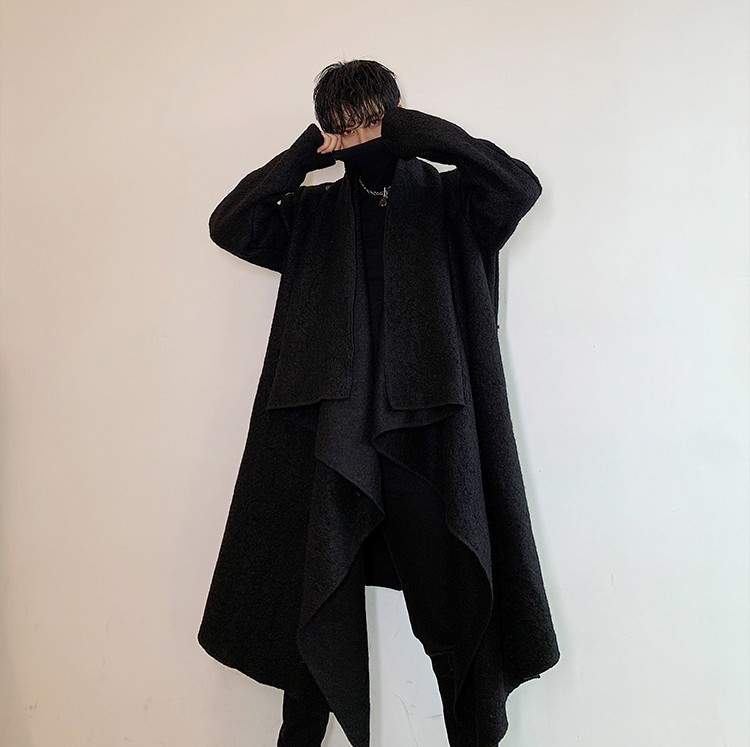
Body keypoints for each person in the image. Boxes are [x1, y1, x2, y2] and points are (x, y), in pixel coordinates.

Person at [200, 58, 560, 747]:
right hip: (331, 439)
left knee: (456, 612)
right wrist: (303, 156)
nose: (358, 139)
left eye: (371, 122)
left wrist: (419, 133)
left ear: (394, 119)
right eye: (342, 127)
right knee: (314, 606)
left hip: (429, 440)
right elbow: (230, 224)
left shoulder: (453, 203)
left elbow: (519, 186)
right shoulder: (311, 216)